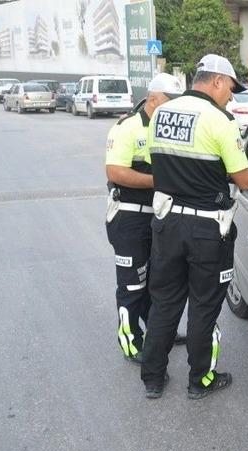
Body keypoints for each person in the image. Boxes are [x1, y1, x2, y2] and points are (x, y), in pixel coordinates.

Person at [141, 54, 248, 400]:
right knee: (204, 306)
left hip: (166, 224)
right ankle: (200, 380)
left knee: (164, 302)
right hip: (207, 230)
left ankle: (153, 378)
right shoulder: (220, 120)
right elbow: (244, 179)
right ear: (217, 81)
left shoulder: (161, 113)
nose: (231, 97)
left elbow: (156, 162)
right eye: (230, 89)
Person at [105, 73, 185, 365]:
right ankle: (131, 342)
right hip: (129, 219)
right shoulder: (128, 127)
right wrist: (159, 181)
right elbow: (115, 172)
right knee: (132, 286)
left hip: (159, 218)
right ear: (153, 99)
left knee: (156, 283)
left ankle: (158, 332)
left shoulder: (170, 128)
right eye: (170, 101)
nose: (174, 107)